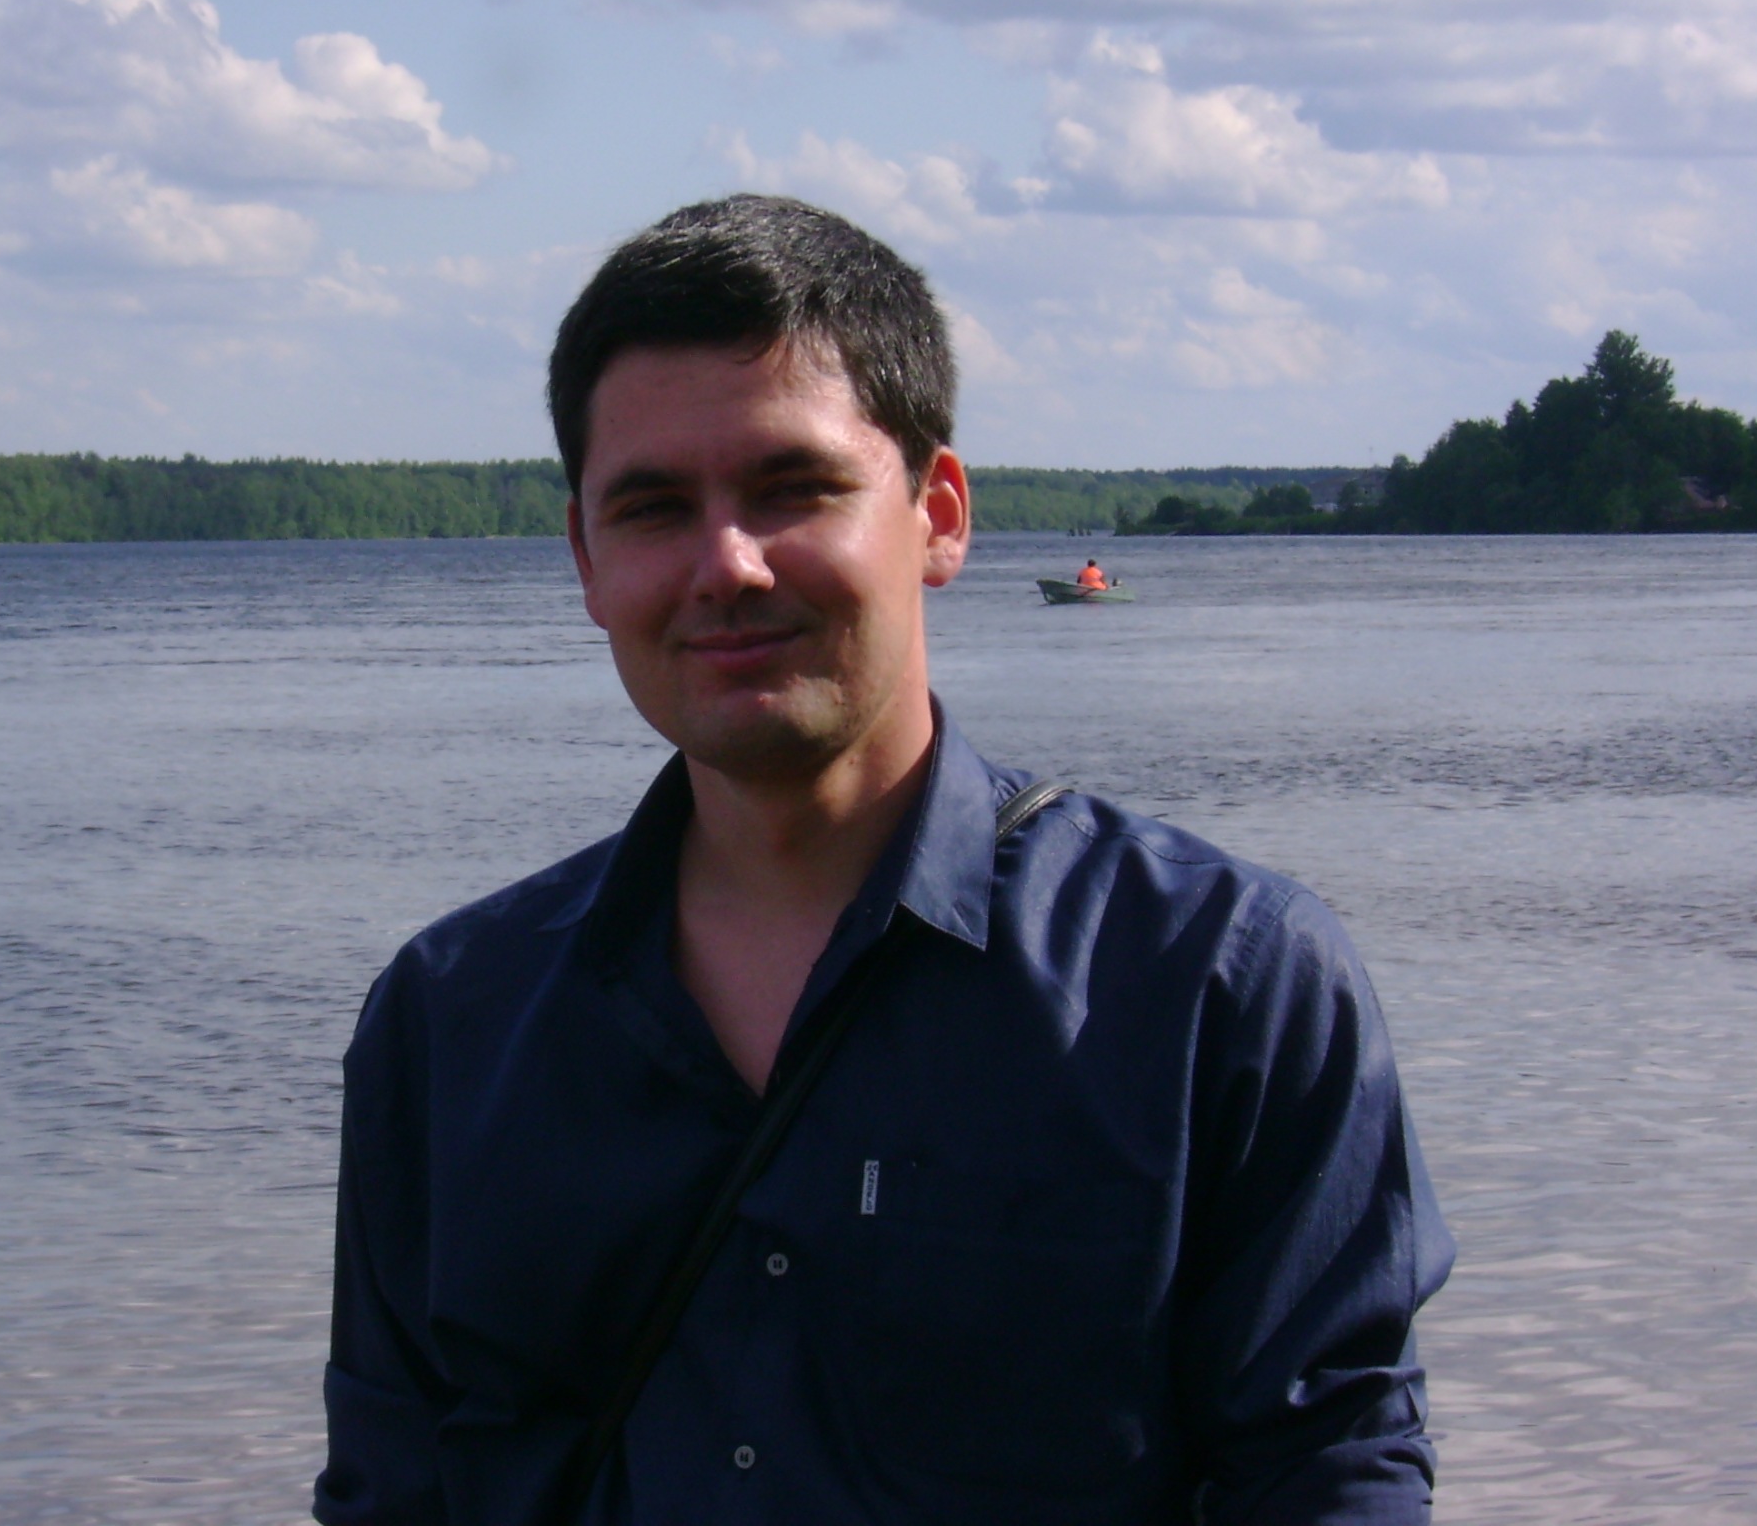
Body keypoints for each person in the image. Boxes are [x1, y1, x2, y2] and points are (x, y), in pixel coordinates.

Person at [314, 195, 1451, 1526]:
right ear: (586, 558)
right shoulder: (451, 1024)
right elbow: (393, 1491)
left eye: (794, 490)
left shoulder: (1217, 987)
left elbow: (1330, 1477)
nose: (727, 565)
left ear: (939, 514)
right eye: (654, 507)